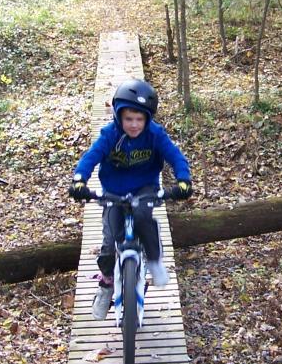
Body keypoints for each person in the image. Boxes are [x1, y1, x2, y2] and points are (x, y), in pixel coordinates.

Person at [68, 79, 193, 319]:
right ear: (118, 116)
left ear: (147, 119)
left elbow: (175, 156)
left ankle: (154, 261)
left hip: (144, 187)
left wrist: (183, 179)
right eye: (128, 119)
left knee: (143, 216)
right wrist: (79, 179)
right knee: (108, 242)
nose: (134, 125)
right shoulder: (110, 134)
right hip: (113, 190)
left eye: (139, 119)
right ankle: (106, 284)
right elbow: (91, 156)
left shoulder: (155, 134)